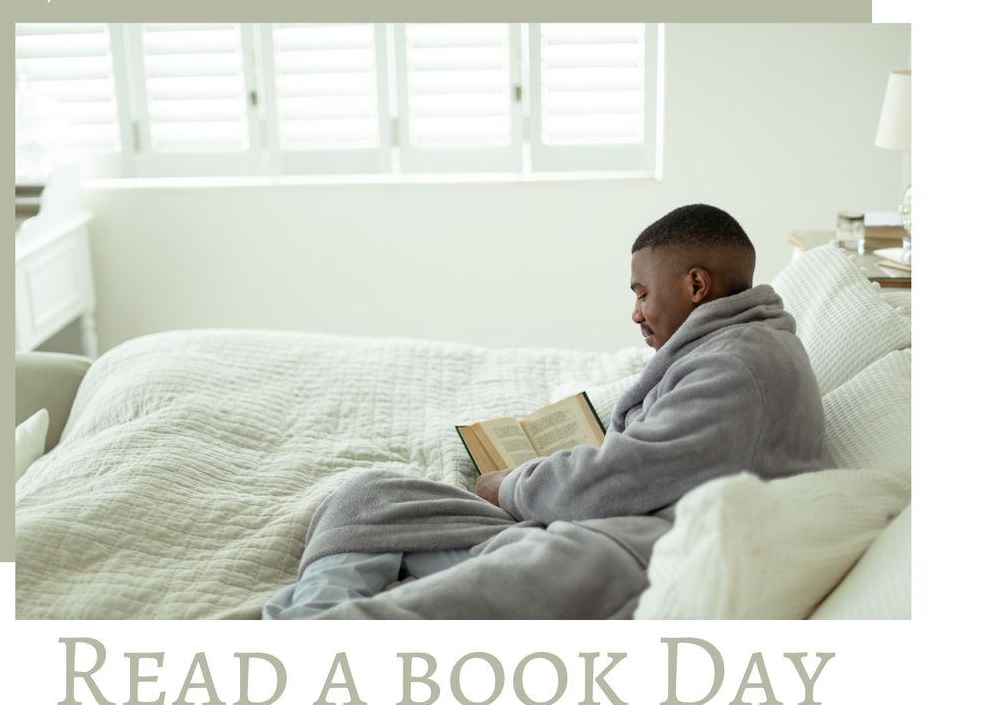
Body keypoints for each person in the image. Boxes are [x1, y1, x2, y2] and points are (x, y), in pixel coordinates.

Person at [262, 203, 831, 619]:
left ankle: (316, 627)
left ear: (697, 285)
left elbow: (626, 475)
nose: (636, 313)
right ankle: (320, 605)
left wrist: (510, 484)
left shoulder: (739, 366)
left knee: (438, 591)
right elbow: (652, 461)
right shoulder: (726, 348)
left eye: (641, 293)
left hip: (628, 547)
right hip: (596, 519)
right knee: (373, 495)